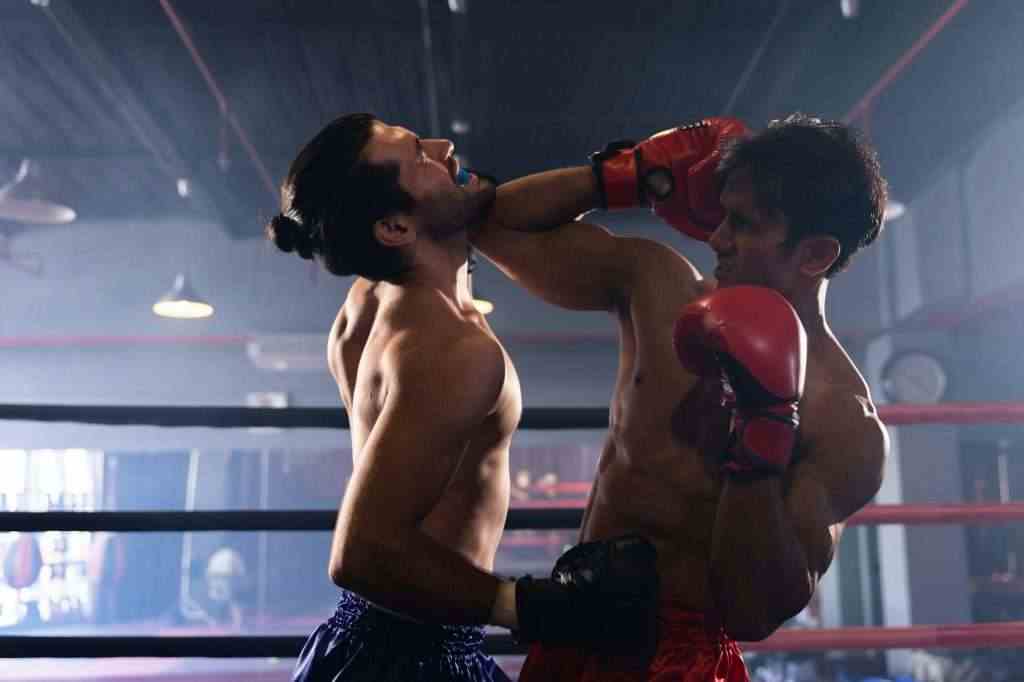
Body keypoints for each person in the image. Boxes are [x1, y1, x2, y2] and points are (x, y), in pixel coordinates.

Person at [469, 114, 890, 680]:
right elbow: (493, 224)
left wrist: (762, 427)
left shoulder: (843, 419)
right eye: (721, 216)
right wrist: (626, 177)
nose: (716, 238)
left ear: (814, 254)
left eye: (741, 224)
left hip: (683, 660)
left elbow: (753, 611)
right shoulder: (659, 287)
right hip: (573, 629)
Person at [266, 113, 661, 682]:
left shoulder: (370, 297)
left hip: (373, 641)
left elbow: (493, 205)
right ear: (396, 228)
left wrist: (614, 180)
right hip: (416, 658)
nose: (443, 145)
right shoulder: (449, 347)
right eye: (418, 156)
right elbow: (362, 553)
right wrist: (532, 606)